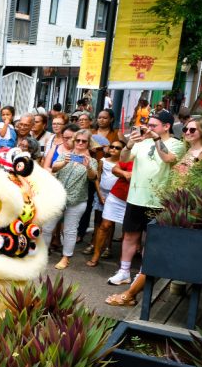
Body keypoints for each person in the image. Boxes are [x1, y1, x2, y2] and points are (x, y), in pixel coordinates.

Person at [107, 109, 184, 286]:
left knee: (150, 239)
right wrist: (129, 144)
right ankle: (124, 271)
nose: (148, 128)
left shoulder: (176, 144)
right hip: (135, 197)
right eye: (148, 125)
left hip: (158, 200)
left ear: (166, 126)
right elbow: (124, 158)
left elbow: (167, 158)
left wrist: (156, 139)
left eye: (153, 126)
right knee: (129, 236)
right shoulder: (142, 142)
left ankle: (143, 274)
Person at [45, 129, 98, 270]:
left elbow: (93, 177)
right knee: (47, 227)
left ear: (88, 143)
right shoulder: (64, 155)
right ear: (74, 141)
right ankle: (42, 253)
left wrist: (87, 167)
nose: (80, 143)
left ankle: (66, 257)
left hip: (77, 200)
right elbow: (54, 168)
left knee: (70, 230)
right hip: (58, 197)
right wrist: (64, 162)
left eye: (84, 141)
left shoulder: (91, 161)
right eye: (78, 140)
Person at [85, 139, 126, 267]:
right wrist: (99, 194)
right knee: (99, 221)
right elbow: (97, 178)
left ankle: (108, 247)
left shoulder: (123, 163)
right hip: (101, 193)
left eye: (117, 148)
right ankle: (94, 244)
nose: (113, 149)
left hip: (116, 195)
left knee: (110, 223)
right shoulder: (102, 161)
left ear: (123, 150)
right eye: (112, 147)